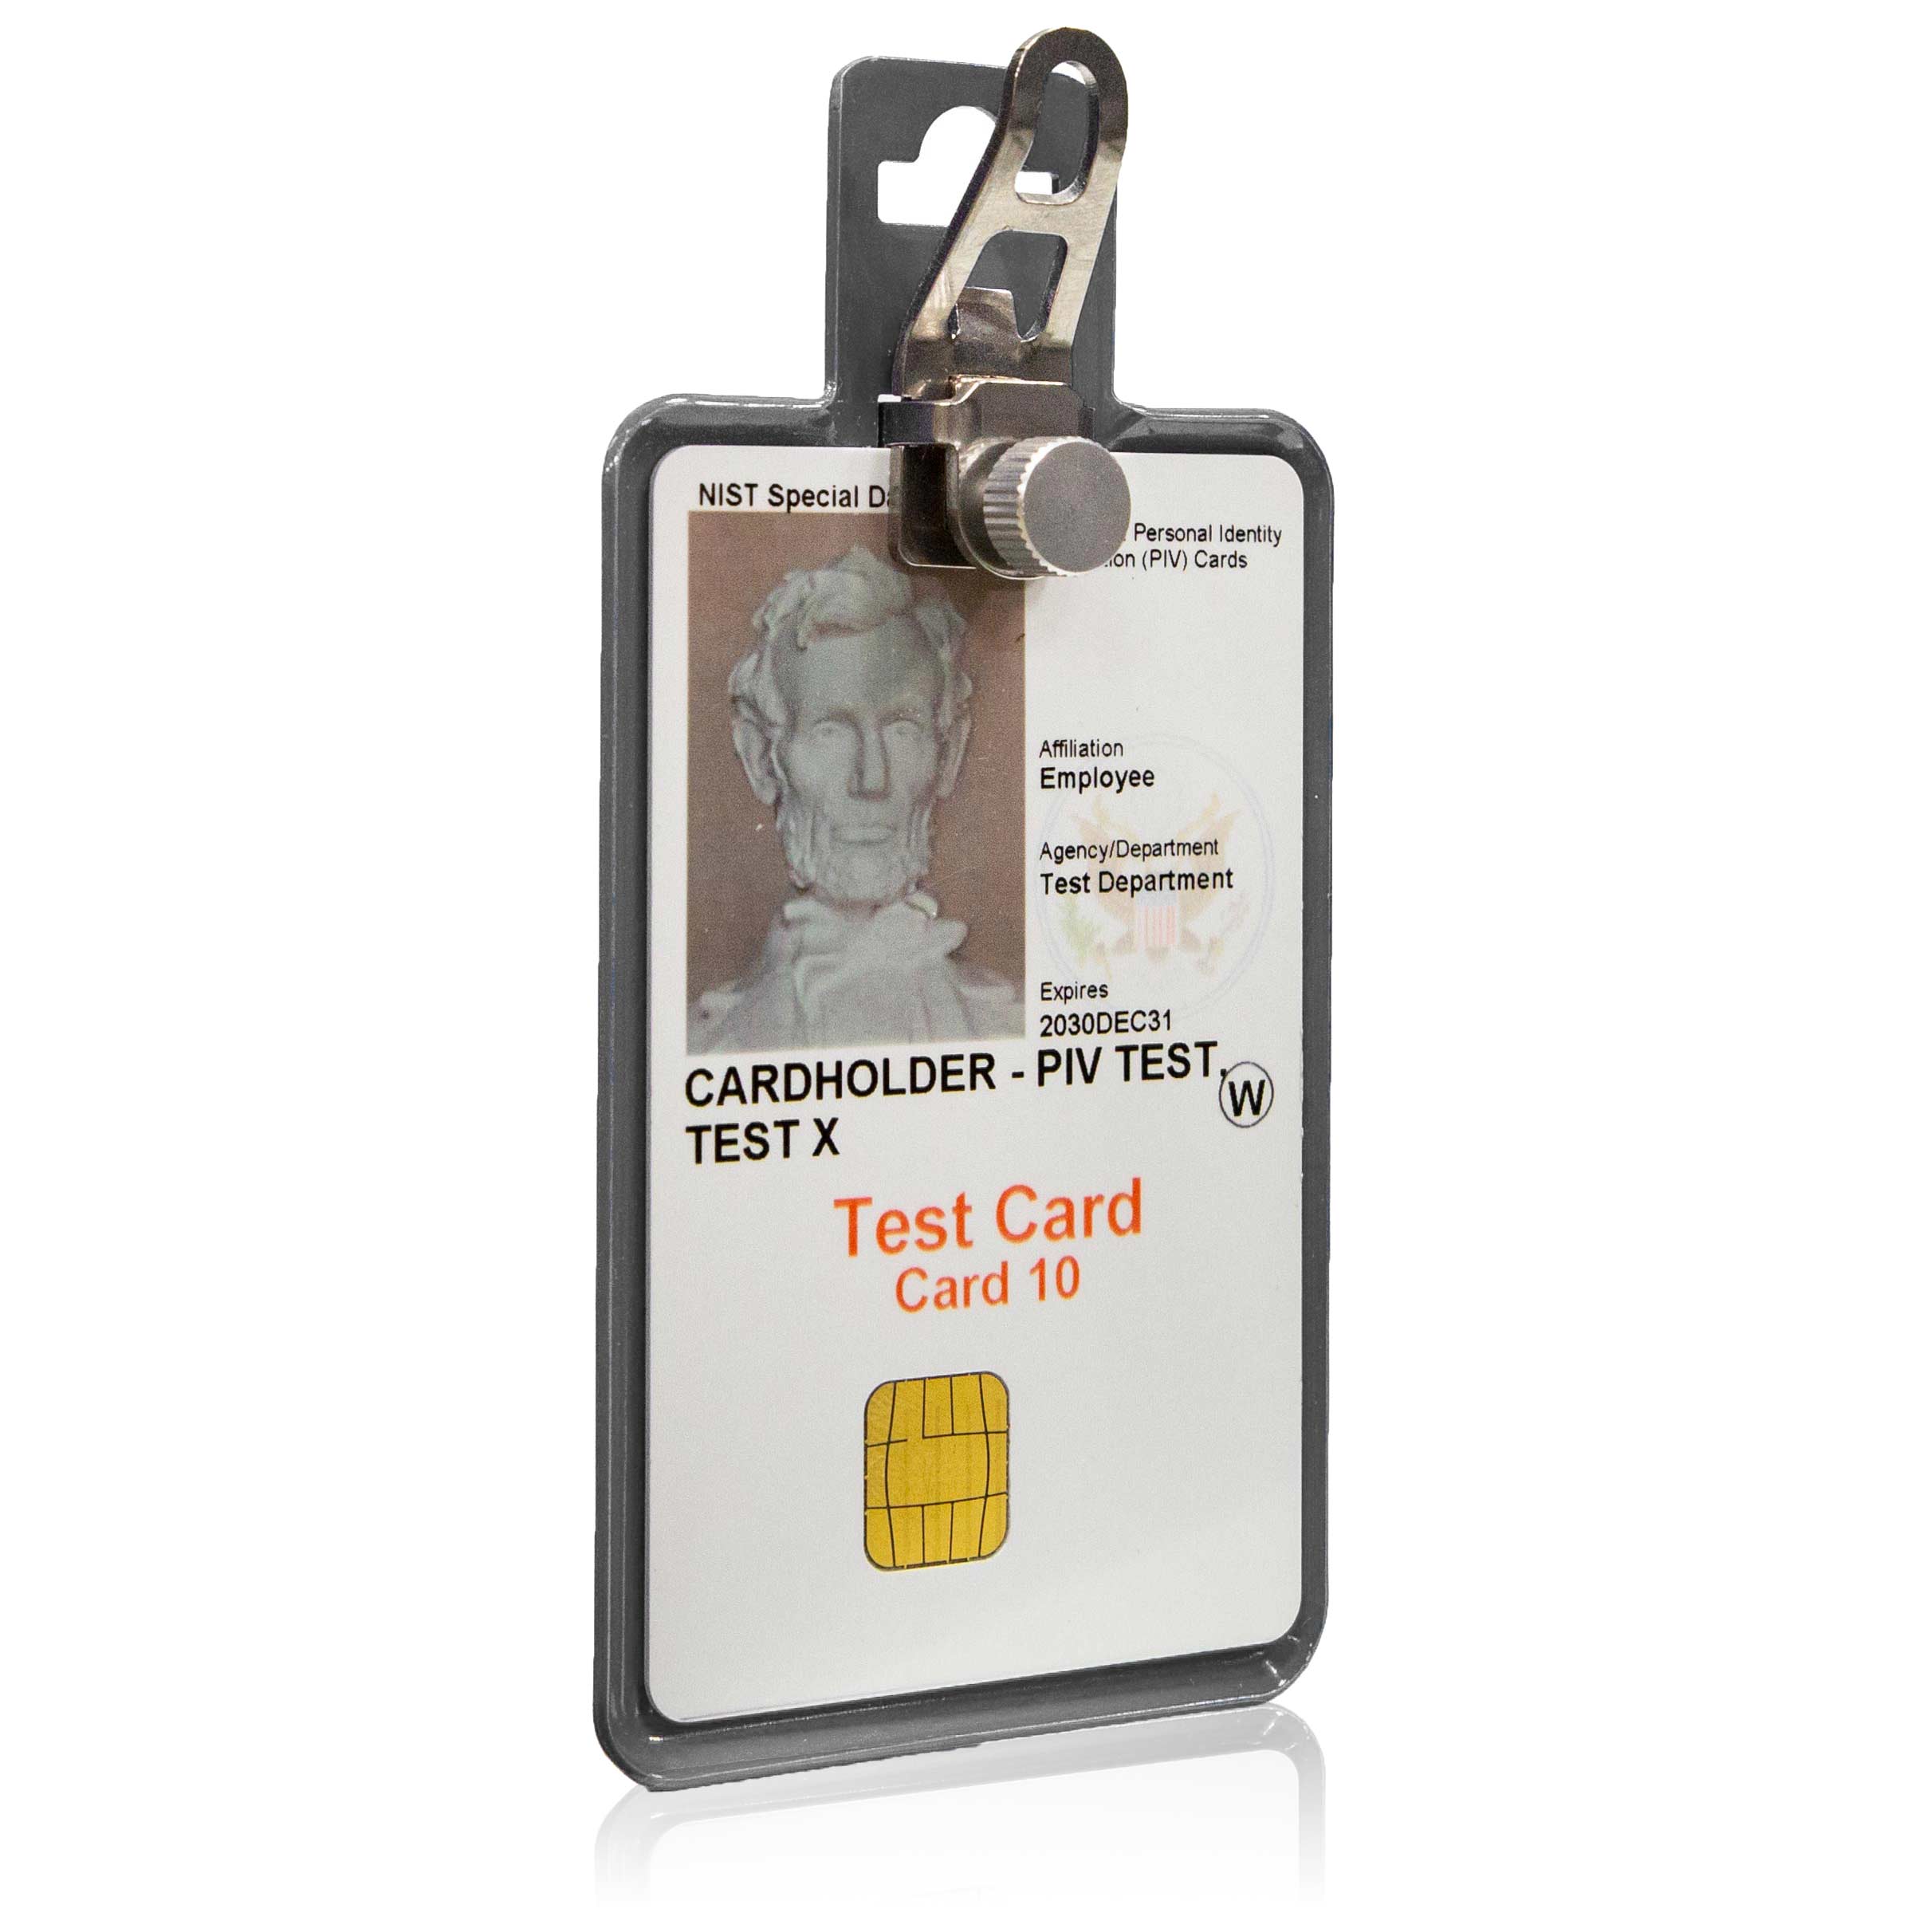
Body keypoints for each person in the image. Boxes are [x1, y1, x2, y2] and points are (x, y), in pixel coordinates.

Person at [690, 543, 1021, 1051]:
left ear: (949, 754)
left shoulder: (1017, 1032)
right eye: (831, 731)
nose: (872, 779)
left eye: (902, 729)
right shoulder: (698, 1048)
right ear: (761, 758)